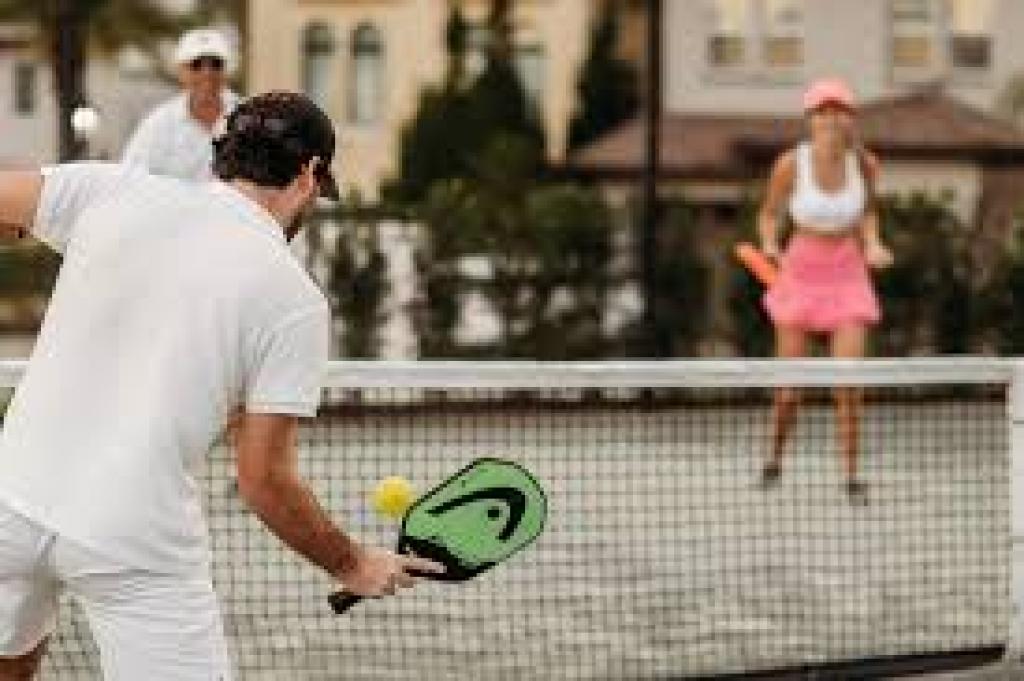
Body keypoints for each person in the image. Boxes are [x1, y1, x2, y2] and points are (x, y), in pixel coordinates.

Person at [0, 91, 440, 680]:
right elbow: (263, 481)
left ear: (223, 155)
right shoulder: (294, 301)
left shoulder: (110, 190)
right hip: (133, 536)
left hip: (12, 499)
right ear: (309, 176)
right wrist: (352, 563)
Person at [756, 77, 893, 506]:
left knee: (848, 383)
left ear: (850, 118)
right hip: (800, 271)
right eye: (822, 111)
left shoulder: (866, 164)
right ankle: (774, 460)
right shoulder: (789, 164)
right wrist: (770, 244)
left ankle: (852, 477)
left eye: (839, 111)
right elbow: (769, 214)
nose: (831, 118)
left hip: (847, 273)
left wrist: (873, 243)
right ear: (810, 119)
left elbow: (868, 212)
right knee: (790, 390)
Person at [122, 28, 240, 181]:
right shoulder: (158, 125)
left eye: (216, 64)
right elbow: (130, 176)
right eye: (196, 65)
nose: (207, 73)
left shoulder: (250, 119)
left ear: (226, 70)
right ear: (181, 71)